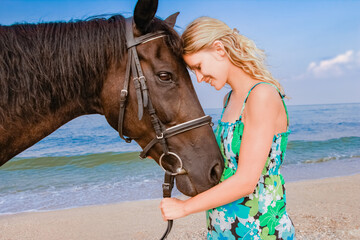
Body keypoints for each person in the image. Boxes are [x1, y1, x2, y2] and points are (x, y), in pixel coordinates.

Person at [159, 16, 296, 240]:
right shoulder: (230, 99)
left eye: (199, 67)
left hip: (260, 230)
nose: (199, 78)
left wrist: (184, 207)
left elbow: (245, 181)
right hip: (224, 229)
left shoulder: (261, 95)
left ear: (219, 49)